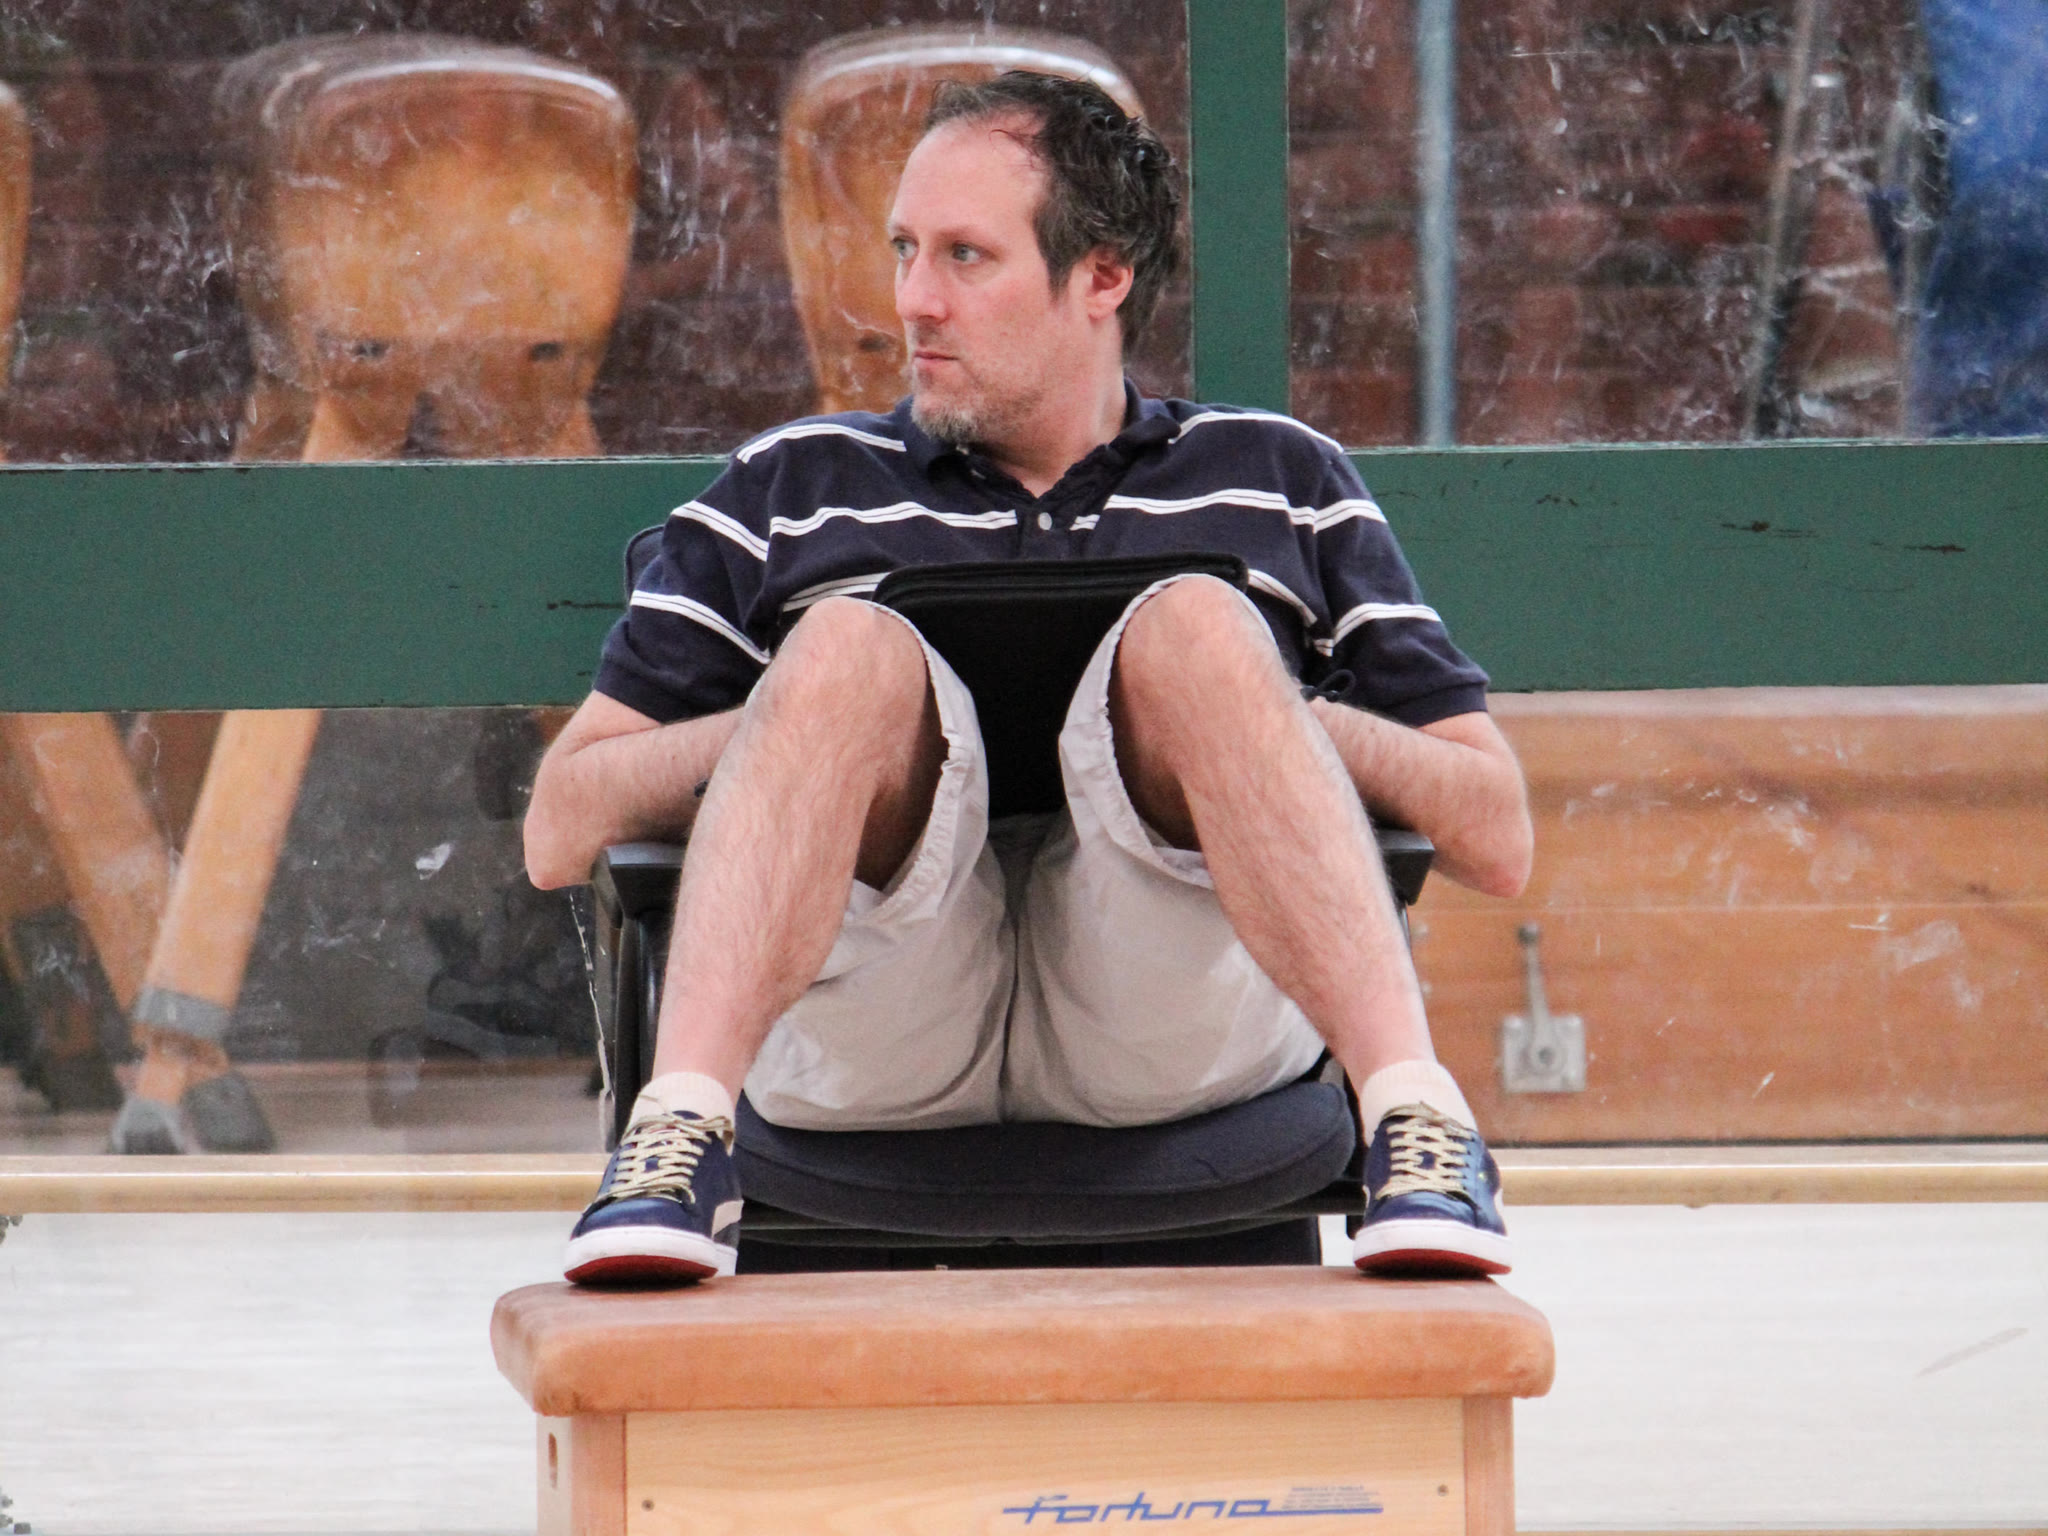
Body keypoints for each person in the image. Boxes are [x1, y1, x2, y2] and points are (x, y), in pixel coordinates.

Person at [524, 70, 1533, 1285]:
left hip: (1161, 1013)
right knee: (846, 642)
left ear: (1099, 276)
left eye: (964, 256)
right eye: (904, 250)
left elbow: (1494, 834)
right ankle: (678, 1136)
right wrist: (796, 720)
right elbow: (559, 824)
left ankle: (1414, 1121)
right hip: (875, 1014)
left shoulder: (1278, 478)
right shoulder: (790, 487)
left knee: (1200, 624)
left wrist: (1267, 713)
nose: (912, 300)